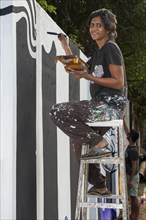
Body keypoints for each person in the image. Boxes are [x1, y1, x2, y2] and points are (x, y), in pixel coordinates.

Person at [50, 8, 127, 196]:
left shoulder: (111, 48)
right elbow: (82, 66)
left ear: (108, 28)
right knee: (80, 143)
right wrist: (65, 46)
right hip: (100, 105)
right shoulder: (99, 51)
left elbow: (118, 82)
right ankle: (100, 185)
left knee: (58, 111)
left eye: (98, 25)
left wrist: (87, 76)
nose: (94, 29)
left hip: (110, 106)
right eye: (92, 25)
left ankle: (100, 142)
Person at [123, 117, 140, 220]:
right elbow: (127, 130)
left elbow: (134, 166)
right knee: (132, 197)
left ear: (131, 138)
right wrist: (123, 120)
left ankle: (136, 216)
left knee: (133, 197)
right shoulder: (131, 145)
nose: (127, 135)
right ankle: (133, 216)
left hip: (132, 176)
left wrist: (131, 180)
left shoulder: (133, 150)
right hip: (130, 175)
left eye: (129, 136)